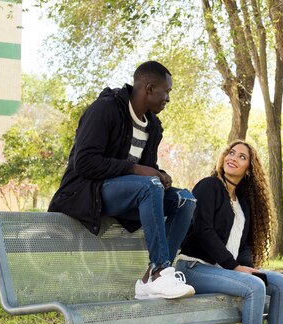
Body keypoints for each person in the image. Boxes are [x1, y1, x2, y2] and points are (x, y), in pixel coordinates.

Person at [48, 61, 196, 300]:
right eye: (166, 91)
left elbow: (143, 169)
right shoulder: (105, 109)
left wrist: (159, 174)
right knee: (150, 185)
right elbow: (84, 162)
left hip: (131, 193)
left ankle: (152, 277)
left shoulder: (153, 126)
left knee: (184, 199)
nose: (168, 98)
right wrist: (139, 170)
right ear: (148, 88)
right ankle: (159, 270)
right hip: (88, 192)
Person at [176, 140, 283, 324]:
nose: (233, 157)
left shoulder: (243, 201)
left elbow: (243, 244)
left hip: (222, 269)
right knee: (254, 287)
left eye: (242, 157)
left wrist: (247, 266)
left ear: (249, 168)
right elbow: (203, 230)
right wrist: (233, 267)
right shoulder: (208, 186)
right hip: (193, 268)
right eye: (231, 153)